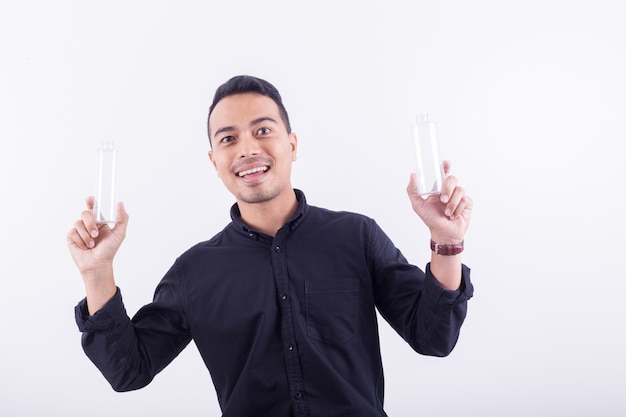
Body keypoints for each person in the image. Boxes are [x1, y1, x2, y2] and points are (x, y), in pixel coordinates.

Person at [67, 75, 474, 417]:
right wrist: (96, 272)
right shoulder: (194, 272)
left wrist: (447, 241)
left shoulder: (357, 237)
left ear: (292, 144)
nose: (247, 149)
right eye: (228, 139)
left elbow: (434, 337)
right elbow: (129, 371)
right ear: (214, 161)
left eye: (263, 130)